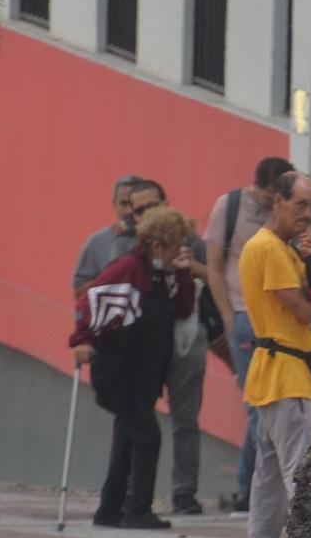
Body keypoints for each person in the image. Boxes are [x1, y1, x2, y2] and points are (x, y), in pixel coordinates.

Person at [76, 177, 212, 515]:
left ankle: (110, 509)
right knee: (147, 437)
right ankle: (137, 510)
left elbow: (181, 310)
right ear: (157, 244)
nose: (179, 249)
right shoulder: (126, 269)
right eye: (174, 245)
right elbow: (90, 304)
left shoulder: (160, 273)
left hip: (144, 373)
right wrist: (81, 340)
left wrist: (181, 275)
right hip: (122, 370)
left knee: (126, 436)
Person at [239, 172, 311, 538]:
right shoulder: (270, 249)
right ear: (277, 201)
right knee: (302, 472)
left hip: (275, 370)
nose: (307, 215)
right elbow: (299, 307)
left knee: (270, 474)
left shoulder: (278, 249)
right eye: (300, 205)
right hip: (288, 375)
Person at [202, 155, 296, 516]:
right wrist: (229, 318)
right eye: (275, 195)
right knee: (259, 405)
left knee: (274, 405)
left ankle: (260, 492)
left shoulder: (288, 215)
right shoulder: (231, 206)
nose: (277, 203)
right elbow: (213, 267)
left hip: (279, 318)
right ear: (262, 187)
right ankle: (248, 491)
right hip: (244, 315)